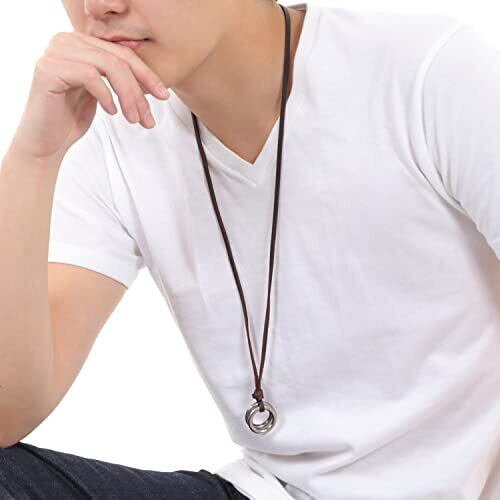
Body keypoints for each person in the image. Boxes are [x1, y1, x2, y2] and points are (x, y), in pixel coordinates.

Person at [1, 0, 500, 498]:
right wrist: (34, 156)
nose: (99, 5)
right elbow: (7, 412)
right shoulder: (116, 128)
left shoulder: (422, 71)